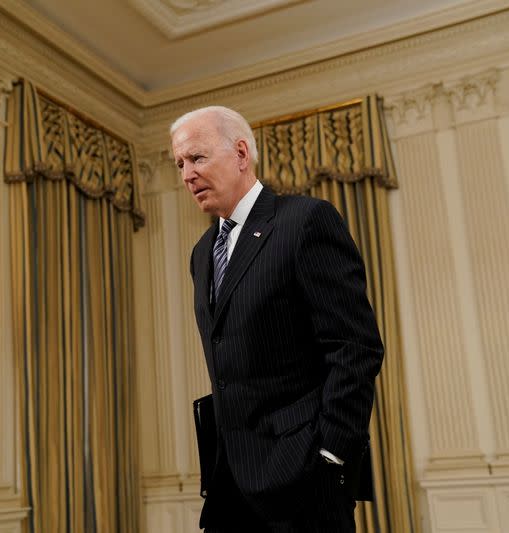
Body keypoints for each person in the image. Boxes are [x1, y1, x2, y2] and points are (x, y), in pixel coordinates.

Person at [171, 106, 384, 533]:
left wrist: (332, 457)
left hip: (304, 480)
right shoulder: (201, 253)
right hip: (230, 484)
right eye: (179, 164)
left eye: (196, 158)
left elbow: (355, 348)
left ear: (241, 153)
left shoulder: (304, 221)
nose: (186, 175)